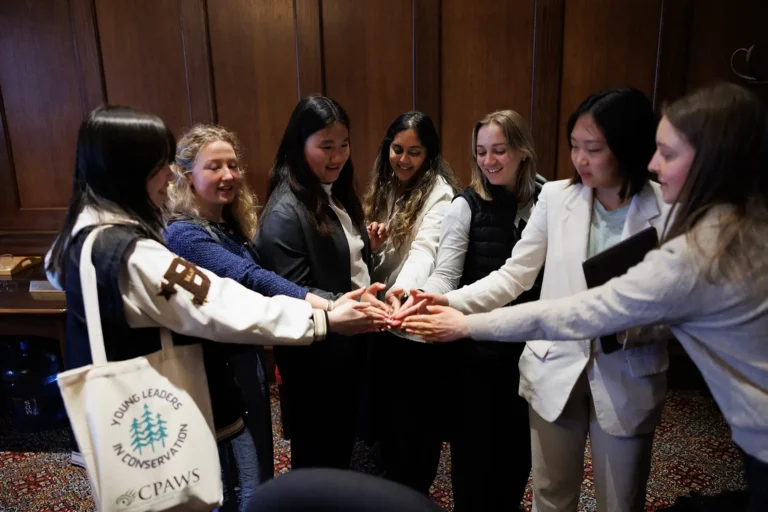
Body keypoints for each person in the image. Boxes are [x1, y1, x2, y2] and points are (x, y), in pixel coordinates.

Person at [401, 82, 768, 512]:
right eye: (575, 145)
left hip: (629, 376)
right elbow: (515, 275)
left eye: (592, 148)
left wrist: (463, 324)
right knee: (551, 497)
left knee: (620, 502)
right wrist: (451, 302)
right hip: (554, 369)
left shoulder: (681, 218)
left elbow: (596, 310)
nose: (579, 158)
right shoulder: (557, 198)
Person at [45, 106, 382, 504]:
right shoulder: (134, 254)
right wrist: (321, 320)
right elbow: (223, 302)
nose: (171, 176)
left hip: (113, 417)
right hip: (153, 414)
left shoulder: (81, 235)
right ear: (127, 171)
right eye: (160, 166)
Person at [164, 124, 382, 510]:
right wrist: (329, 307)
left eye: (233, 165)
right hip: (216, 371)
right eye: (214, 167)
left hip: (244, 362)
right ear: (186, 177)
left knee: (256, 464)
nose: (229, 175)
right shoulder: (185, 235)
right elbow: (251, 278)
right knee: (237, 475)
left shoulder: (225, 226)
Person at [416, 109, 543, 511]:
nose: (489, 161)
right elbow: (446, 275)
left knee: (516, 459)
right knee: (473, 463)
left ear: (522, 152)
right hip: (476, 354)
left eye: (499, 151)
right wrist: (421, 298)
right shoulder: (465, 205)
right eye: (482, 152)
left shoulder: (549, 201)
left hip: (529, 352)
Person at [254, 95, 388, 470]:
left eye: (344, 145)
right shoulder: (285, 212)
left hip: (345, 347)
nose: (338, 156)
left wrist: (367, 251)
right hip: (317, 360)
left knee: (338, 447)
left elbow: (340, 264)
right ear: (300, 145)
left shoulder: (331, 192)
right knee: (319, 456)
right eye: (326, 146)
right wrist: (356, 304)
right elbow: (291, 291)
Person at [362, 111, 459, 495]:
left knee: (416, 423)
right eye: (397, 149)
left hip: (414, 319)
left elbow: (424, 252)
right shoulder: (387, 185)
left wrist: (399, 291)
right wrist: (374, 247)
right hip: (387, 319)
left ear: (430, 154)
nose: (403, 159)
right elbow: (382, 259)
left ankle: (414, 494)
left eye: (414, 152)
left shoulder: (440, 194)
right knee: (389, 420)